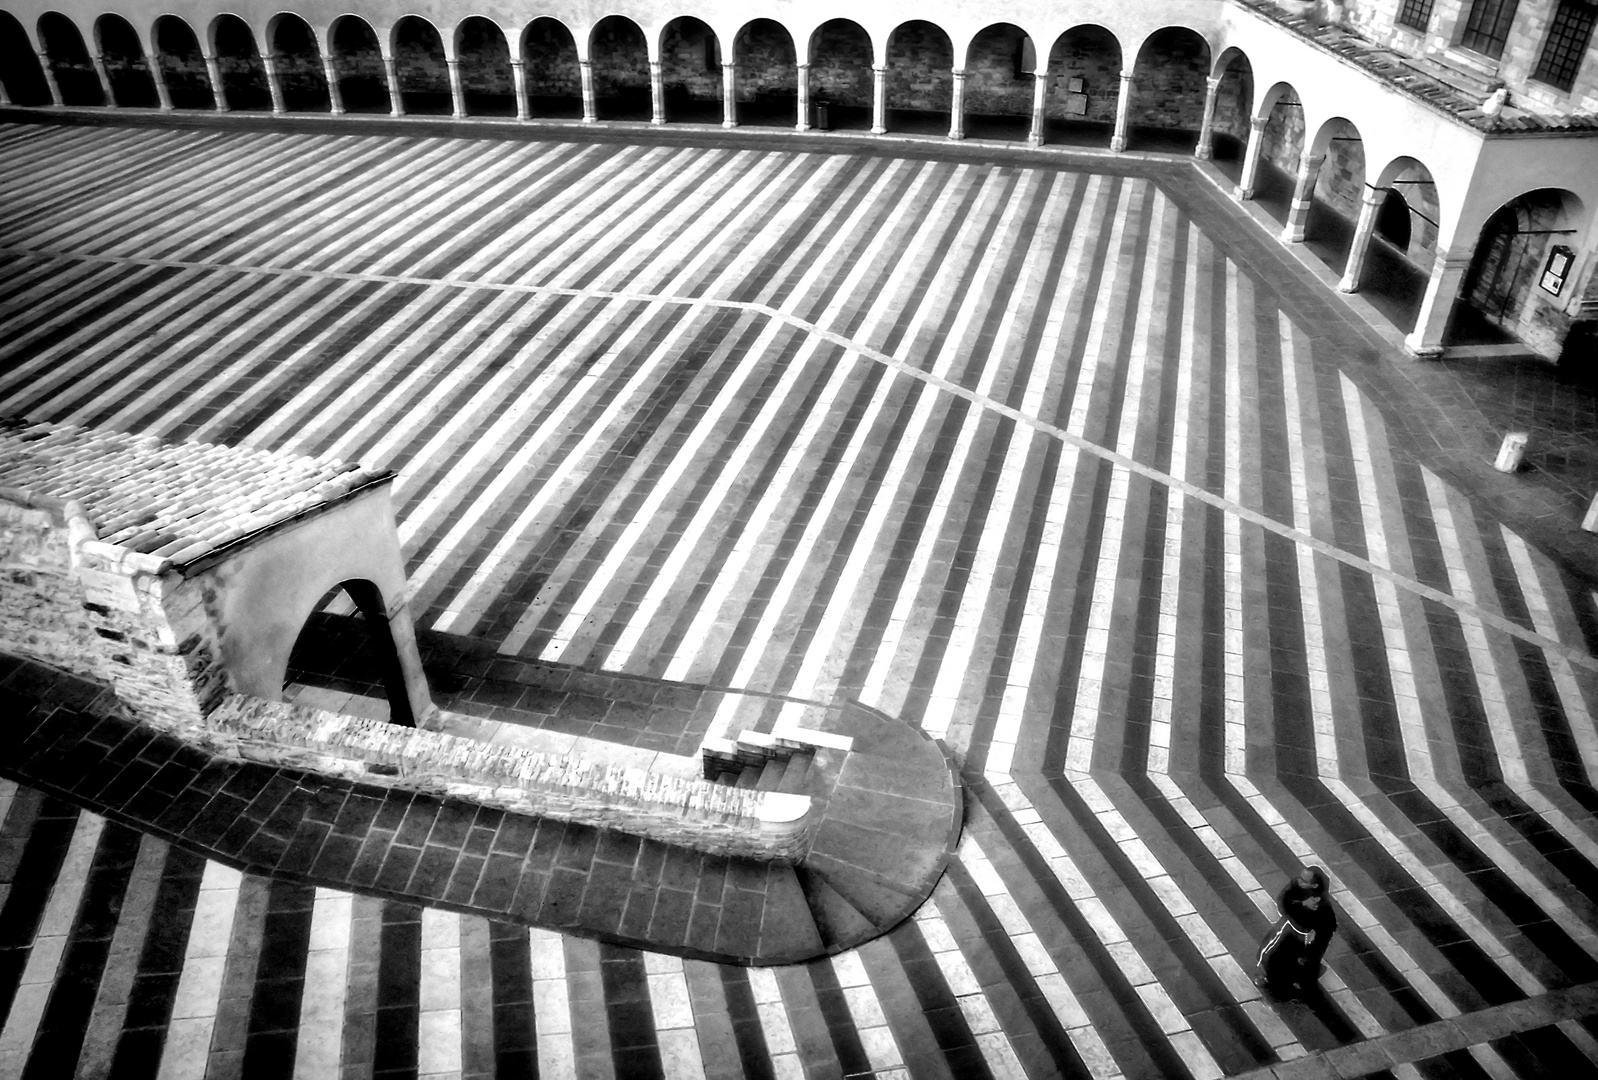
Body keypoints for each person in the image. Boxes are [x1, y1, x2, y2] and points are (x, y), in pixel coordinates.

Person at [1256, 866, 1337, 997]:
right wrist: (1302, 904)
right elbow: (1283, 902)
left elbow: (1321, 939)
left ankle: (1300, 979)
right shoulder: (1296, 888)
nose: (1299, 881)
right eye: (1300, 877)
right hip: (1292, 931)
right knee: (1276, 957)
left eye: (1304, 880)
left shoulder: (1323, 913)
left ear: (1315, 886)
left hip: (1302, 938)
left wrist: (1308, 955)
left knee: (1298, 962)